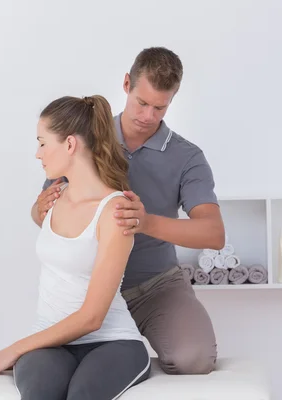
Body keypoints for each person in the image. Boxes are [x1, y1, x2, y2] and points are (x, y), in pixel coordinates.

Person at [31, 47, 225, 375]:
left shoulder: (187, 157)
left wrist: (145, 222)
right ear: (126, 84)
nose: (148, 116)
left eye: (160, 107)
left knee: (195, 358)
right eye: (142, 103)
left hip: (155, 285)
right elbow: (44, 216)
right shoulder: (85, 136)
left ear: (172, 100)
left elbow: (213, 234)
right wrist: (39, 208)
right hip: (86, 289)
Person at [0, 94, 151, 399]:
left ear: (70, 145)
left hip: (113, 342)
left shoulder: (115, 211)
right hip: (50, 341)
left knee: (82, 395)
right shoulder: (55, 198)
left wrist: (12, 350)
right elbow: (43, 223)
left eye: (43, 142)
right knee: (41, 393)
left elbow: (92, 317)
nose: (37, 153)